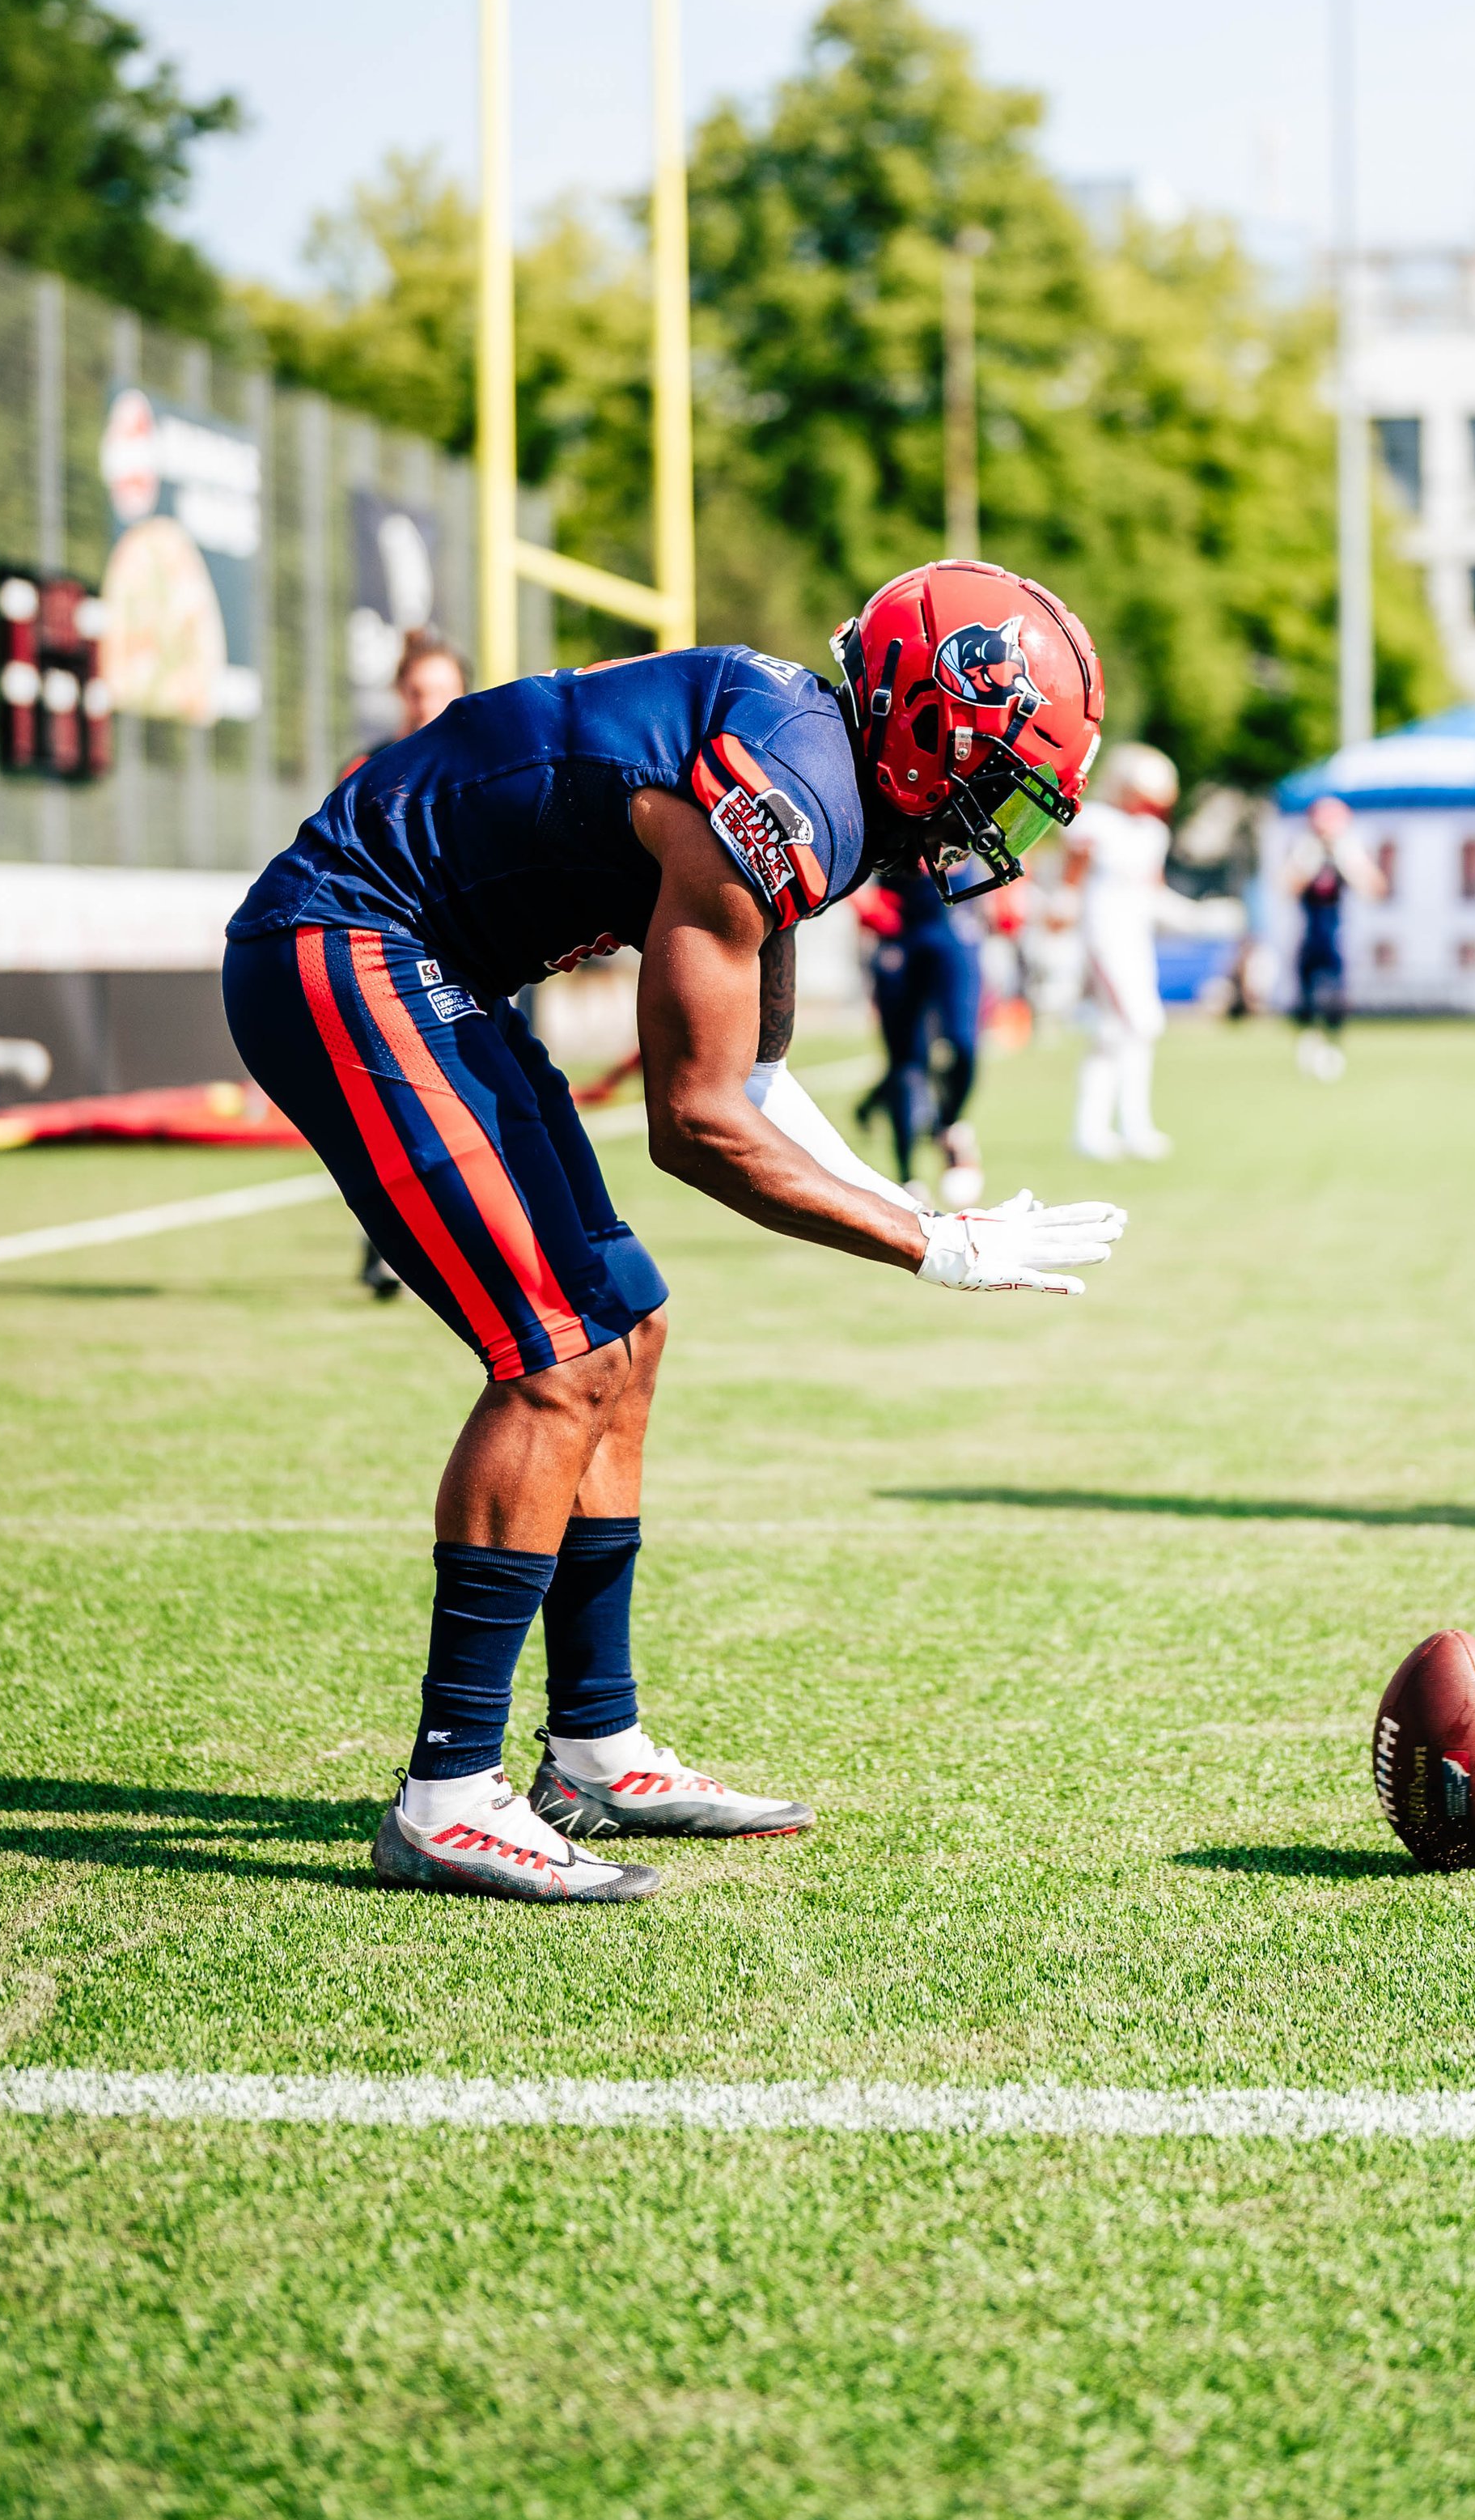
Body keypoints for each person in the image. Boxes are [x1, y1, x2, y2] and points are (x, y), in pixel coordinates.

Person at [222, 559, 1125, 1906]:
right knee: (557, 1356)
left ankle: (592, 1745)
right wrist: (927, 1248)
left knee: (625, 1329)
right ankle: (452, 1791)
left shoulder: (812, 768)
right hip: (344, 939)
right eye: (997, 781)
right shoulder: (784, 793)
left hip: (432, 961)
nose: (996, 822)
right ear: (931, 732)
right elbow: (696, 1125)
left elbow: (753, 1075)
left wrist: (928, 1210)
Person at [347, 632, 476, 1297]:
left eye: (441, 689)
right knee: (398, 1115)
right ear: (402, 695)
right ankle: (390, 1250)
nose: (429, 704)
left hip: (483, 966)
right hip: (391, 964)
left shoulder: (490, 761)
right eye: (419, 690)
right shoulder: (368, 769)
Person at [1058, 741, 1184, 1161]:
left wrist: (1200, 916)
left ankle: (1104, 1128)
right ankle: (1123, 1127)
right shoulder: (1095, 822)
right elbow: (1071, 884)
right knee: (1141, 1022)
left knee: (1114, 1034)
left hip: (1136, 940)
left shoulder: (1152, 834)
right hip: (1101, 937)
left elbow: (1154, 893)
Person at [853, 860, 986, 1204]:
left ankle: (949, 1126)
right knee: (907, 1062)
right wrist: (859, 901)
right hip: (901, 932)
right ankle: (907, 1177)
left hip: (953, 928)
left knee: (964, 1044)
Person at [1283, 795, 1385, 1080]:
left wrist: (1351, 865)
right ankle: (1306, 1044)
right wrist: (1306, 864)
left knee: (1337, 999)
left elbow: (1376, 889)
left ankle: (1333, 1048)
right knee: (1305, 999)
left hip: (1336, 936)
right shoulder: (1302, 850)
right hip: (1308, 934)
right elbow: (1285, 888)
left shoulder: (1349, 851)